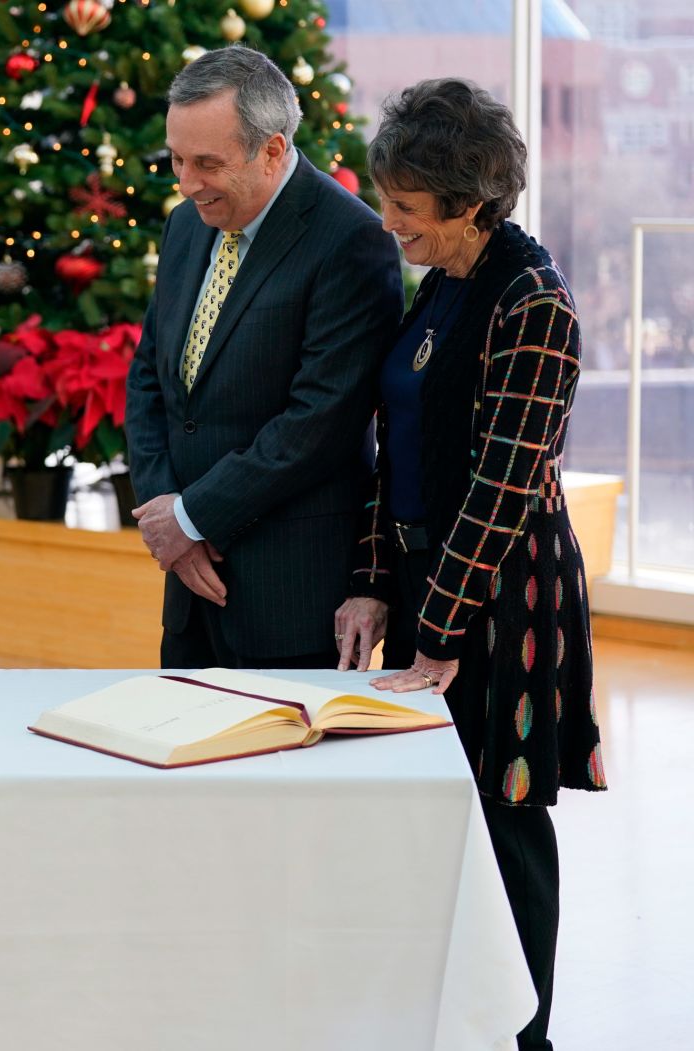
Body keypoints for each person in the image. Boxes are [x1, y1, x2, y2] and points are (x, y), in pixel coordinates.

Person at [333, 79, 607, 1051]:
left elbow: (499, 486)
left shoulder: (533, 302)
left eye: (406, 207)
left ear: (473, 202)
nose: (388, 221)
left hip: (503, 597)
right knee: (432, 815)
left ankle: (523, 1033)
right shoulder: (441, 283)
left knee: (507, 821)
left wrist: (441, 627)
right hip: (422, 586)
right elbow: (392, 445)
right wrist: (372, 581)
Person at [124, 45, 403, 669]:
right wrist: (167, 520)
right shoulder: (185, 224)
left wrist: (193, 517)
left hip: (290, 596)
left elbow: (319, 424)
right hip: (189, 590)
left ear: (272, 150)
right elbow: (149, 378)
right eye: (176, 159)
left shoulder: (351, 240)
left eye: (206, 163)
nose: (186, 182)